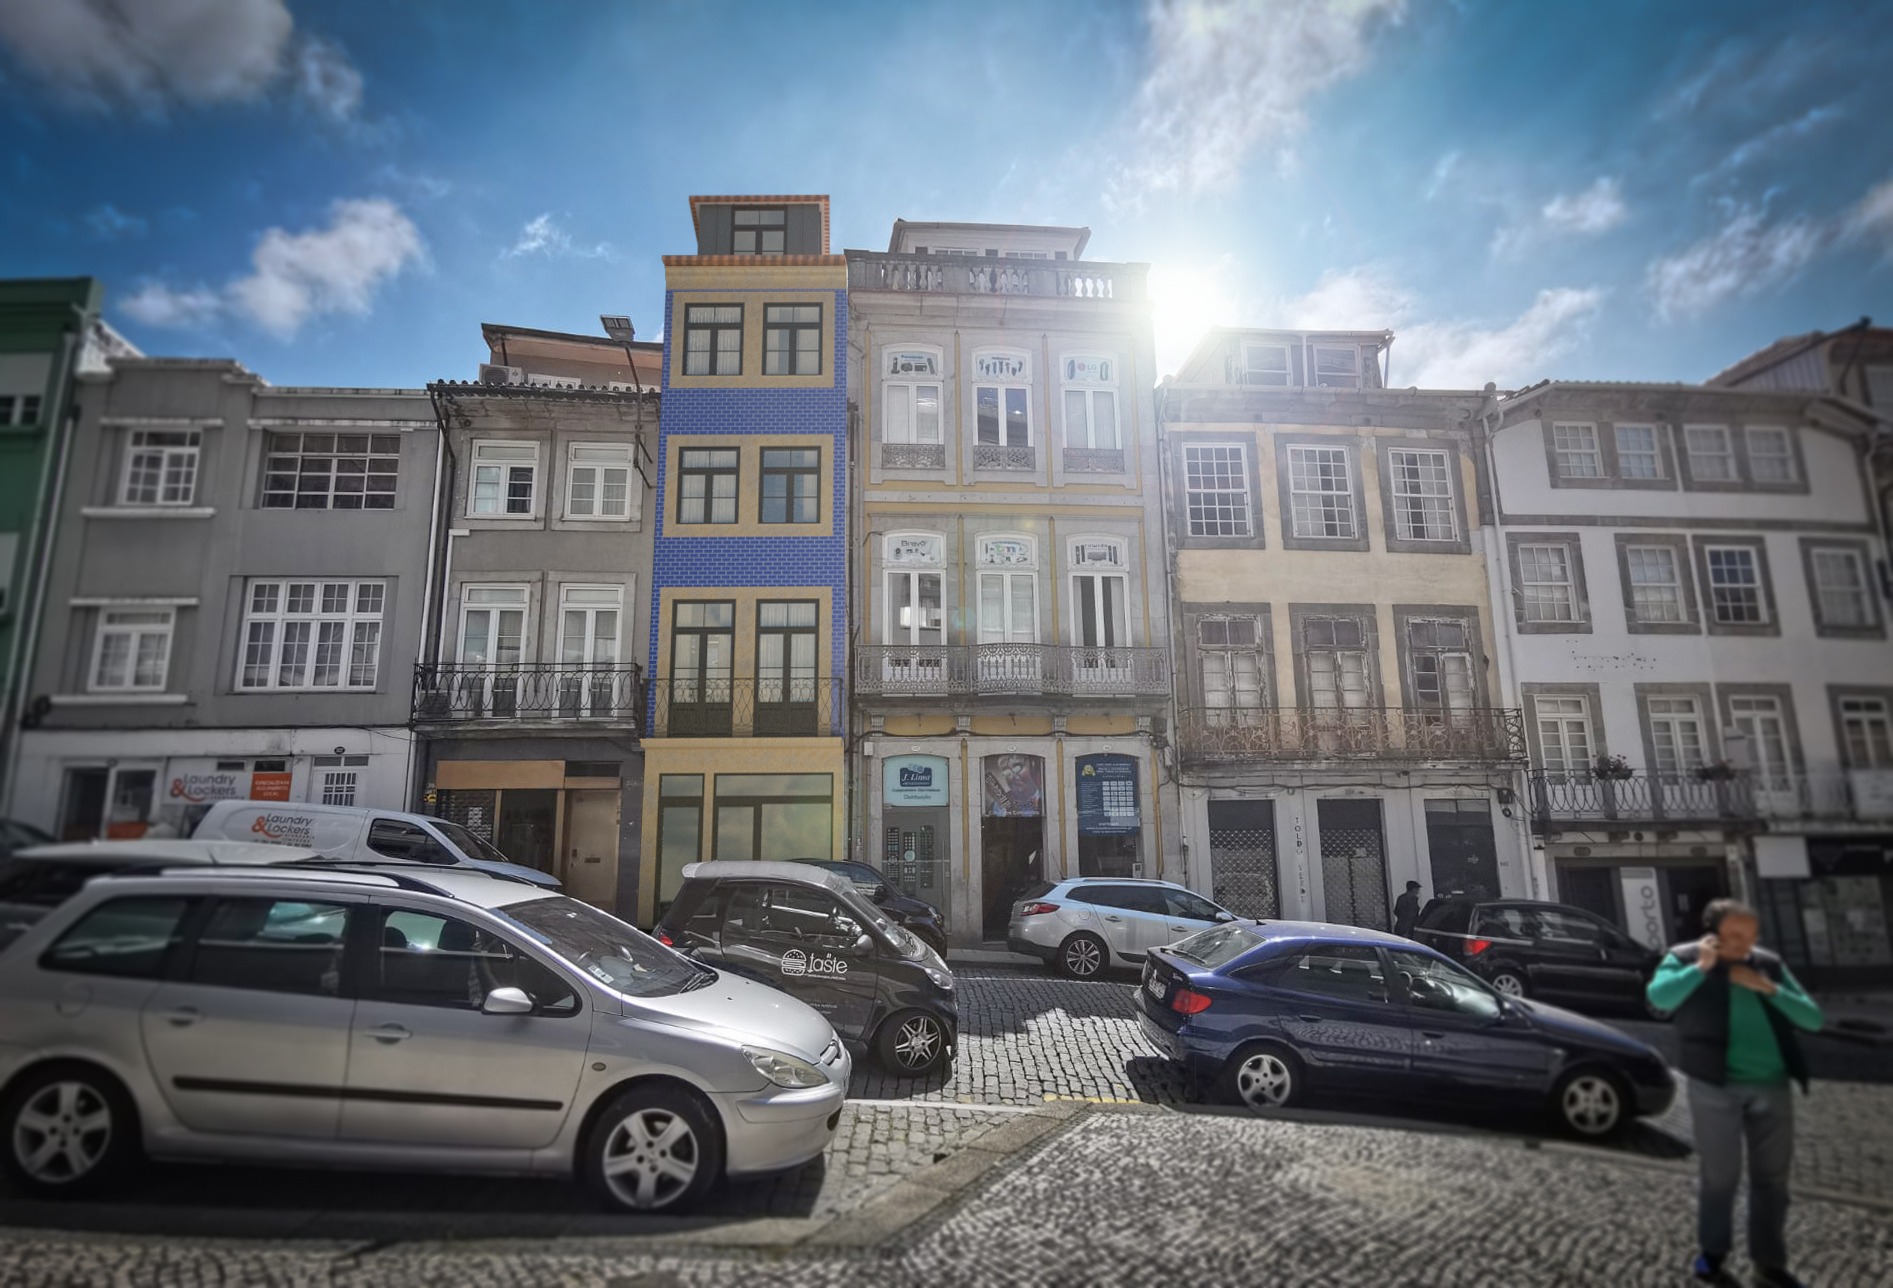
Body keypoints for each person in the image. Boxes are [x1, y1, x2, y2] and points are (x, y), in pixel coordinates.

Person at [1646, 899, 1823, 1288]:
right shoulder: (1684, 958)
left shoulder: (1767, 964)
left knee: (1772, 1179)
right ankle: (1712, 1254)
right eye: (1734, 935)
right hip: (1714, 1085)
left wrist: (1768, 988)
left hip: (1771, 1085)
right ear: (1712, 934)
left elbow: (1812, 1018)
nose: (1745, 944)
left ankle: (1769, 1262)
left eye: (1750, 935)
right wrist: (1701, 967)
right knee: (1719, 1176)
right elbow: (1659, 998)